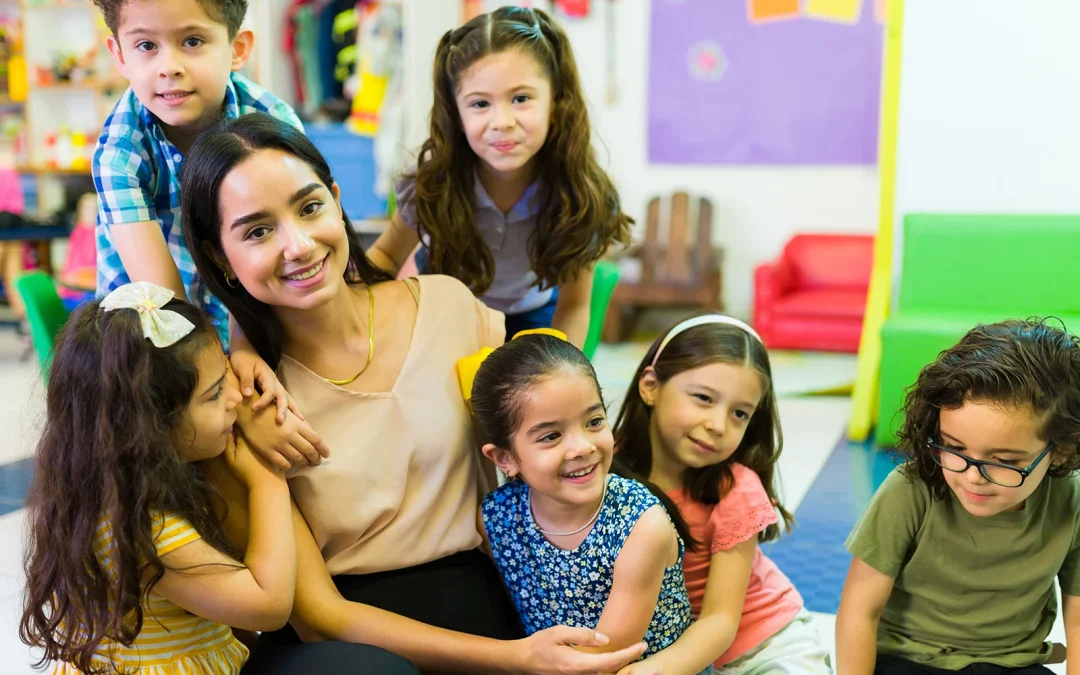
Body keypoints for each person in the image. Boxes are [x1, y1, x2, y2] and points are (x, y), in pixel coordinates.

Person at [181, 112, 649, 674]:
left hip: (489, 600)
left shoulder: (447, 308)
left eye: (309, 208)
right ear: (218, 258)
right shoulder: (242, 402)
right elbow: (318, 616)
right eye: (257, 231)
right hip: (347, 645)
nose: (299, 245)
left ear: (335, 200)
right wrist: (514, 659)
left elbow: (555, 443)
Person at [19, 281, 295, 674]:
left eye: (227, 374)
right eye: (214, 393)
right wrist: (268, 480)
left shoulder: (103, 486)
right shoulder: (145, 529)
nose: (236, 397)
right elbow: (269, 606)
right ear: (151, 427)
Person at [92, 0, 313, 447]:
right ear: (119, 54)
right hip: (155, 331)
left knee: (283, 425)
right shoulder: (119, 156)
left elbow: (279, 247)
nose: (168, 66)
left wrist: (246, 352)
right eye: (146, 46)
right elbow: (167, 306)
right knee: (184, 446)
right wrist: (227, 392)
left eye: (192, 41)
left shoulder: (272, 125)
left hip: (252, 305)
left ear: (237, 48)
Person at [366, 6, 632, 346]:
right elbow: (385, 257)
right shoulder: (430, 184)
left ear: (556, 101)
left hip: (536, 317)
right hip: (447, 315)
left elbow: (575, 305)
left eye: (520, 98)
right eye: (480, 104)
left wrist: (563, 376)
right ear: (456, 113)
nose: (502, 121)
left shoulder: (581, 193)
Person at [837, 319, 1080, 674]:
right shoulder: (909, 489)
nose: (971, 476)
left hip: (1012, 663)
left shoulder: (1070, 501)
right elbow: (859, 612)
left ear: (1060, 449)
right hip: (907, 659)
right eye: (954, 447)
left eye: (1005, 461)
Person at [615, 316, 832, 674]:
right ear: (651, 386)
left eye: (739, 413)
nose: (718, 425)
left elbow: (720, 620)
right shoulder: (601, 463)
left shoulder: (735, 490)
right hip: (675, 648)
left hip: (764, 646)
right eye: (703, 398)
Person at [467, 331, 699, 664]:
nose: (582, 447)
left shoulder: (641, 524)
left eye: (593, 421)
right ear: (504, 458)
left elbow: (603, 657)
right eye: (551, 435)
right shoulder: (497, 518)